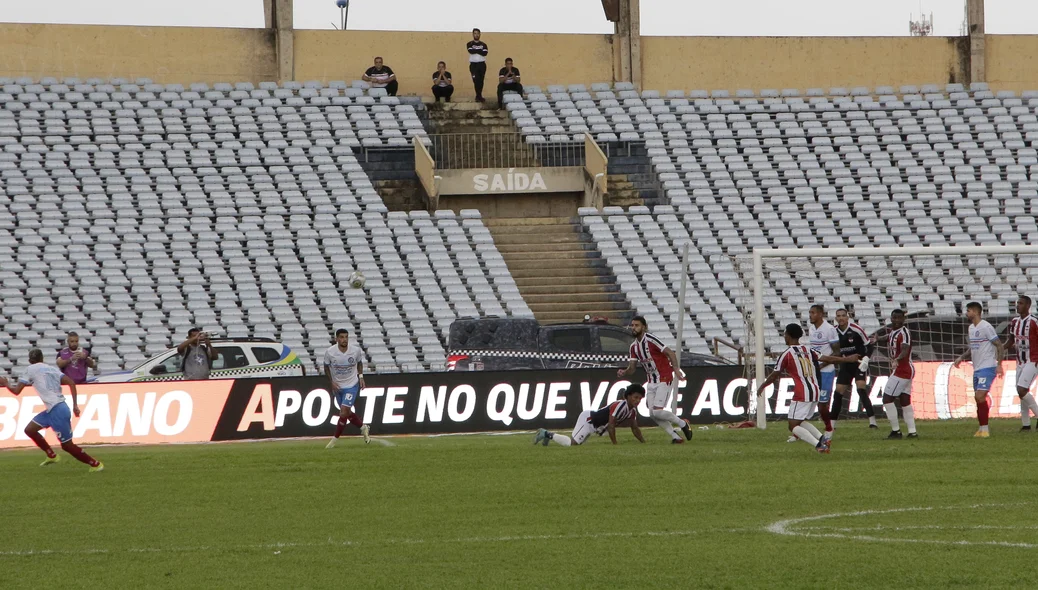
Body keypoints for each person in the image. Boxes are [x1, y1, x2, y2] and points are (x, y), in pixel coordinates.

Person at [0, 349, 103, 471]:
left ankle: (95, 464)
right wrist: (75, 405)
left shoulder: (30, 369)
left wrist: (5, 383)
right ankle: (51, 455)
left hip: (57, 410)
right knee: (30, 430)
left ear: (29, 361)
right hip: (54, 408)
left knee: (67, 445)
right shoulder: (52, 369)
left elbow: (16, 391)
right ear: (42, 358)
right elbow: (71, 382)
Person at [756, 324, 847, 454]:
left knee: (793, 426)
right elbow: (829, 358)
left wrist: (762, 386)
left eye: (785, 334)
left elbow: (774, 375)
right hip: (815, 390)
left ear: (788, 336)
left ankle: (819, 446)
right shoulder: (809, 350)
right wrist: (848, 359)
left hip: (802, 393)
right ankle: (823, 439)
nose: (784, 336)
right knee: (799, 421)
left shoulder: (787, 354)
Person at [617, 316, 693, 444]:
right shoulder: (633, 347)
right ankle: (676, 437)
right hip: (651, 381)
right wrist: (624, 372)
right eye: (632, 325)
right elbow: (632, 368)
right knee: (652, 414)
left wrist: (676, 369)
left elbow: (670, 353)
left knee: (657, 411)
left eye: (637, 325)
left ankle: (682, 423)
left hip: (664, 377)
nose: (633, 328)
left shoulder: (651, 340)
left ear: (644, 327)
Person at [954, 301, 1005, 438]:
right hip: (977, 368)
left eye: (969, 310)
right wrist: (962, 357)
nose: (967, 313)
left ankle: (985, 430)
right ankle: (982, 429)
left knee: (980, 396)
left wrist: (999, 364)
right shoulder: (971, 328)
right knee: (978, 399)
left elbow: (999, 345)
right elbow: (974, 347)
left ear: (976, 312)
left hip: (988, 367)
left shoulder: (986, 327)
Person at [533, 385, 645, 447]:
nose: (637, 400)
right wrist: (615, 444)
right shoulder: (620, 405)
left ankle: (547, 436)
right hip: (589, 420)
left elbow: (634, 428)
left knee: (576, 444)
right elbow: (611, 425)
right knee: (572, 444)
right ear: (628, 396)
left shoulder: (632, 411)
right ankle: (546, 433)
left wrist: (643, 442)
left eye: (639, 398)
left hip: (594, 424)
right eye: (635, 397)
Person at [831, 309, 877, 430]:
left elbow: (869, 345)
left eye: (843, 316)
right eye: (838, 316)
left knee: (861, 389)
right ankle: (831, 424)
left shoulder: (856, 329)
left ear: (848, 317)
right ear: (836, 318)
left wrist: (866, 359)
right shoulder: (834, 331)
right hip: (846, 365)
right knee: (838, 392)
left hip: (859, 364)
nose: (841, 318)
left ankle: (872, 421)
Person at [324, 328, 370, 448]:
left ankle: (333, 441)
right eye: (342, 337)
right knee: (347, 413)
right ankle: (363, 427)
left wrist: (360, 377)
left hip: (351, 385)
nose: (344, 339)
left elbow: (359, 363)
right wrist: (332, 382)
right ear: (337, 339)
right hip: (338, 387)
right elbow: (326, 367)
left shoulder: (355, 351)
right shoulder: (330, 352)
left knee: (343, 412)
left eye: (346, 337)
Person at [806, 304, 840, 441]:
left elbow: (837, 352)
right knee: (807, 401)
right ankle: (798, 432)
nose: (810, 315)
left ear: (820, 314)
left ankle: (828, 429)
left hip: (826, 372)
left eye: (813, 313)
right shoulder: (811, 329)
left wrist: (821, 365)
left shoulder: (829, 329)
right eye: (810, 313)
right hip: (813, 371)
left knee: (822, 405)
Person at [882, 309, 917, 439]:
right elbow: (889, 337)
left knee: (887, 398)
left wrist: (897, 359)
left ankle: (896, 431)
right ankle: (912, 431)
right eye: (894, 318)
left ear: (903, 320)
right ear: (890, 318)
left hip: (903, 370)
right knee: (904, 400)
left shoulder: (905, 333)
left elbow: (905, 349)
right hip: (904, 370)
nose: (896, 320)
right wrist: (878, 338)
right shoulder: (893, 332)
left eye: (899, 318)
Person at [1006, 295, 1038, 430]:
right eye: (1017, 303)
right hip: (1020, 361)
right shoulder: (1014, 322)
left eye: (1020, 303)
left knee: (1022, 389)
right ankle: (1026, 425)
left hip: (1033, 360)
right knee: (1021, 392)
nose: (1017, 305)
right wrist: (999, 348)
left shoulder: (1034, 321)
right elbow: (1010, 341)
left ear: (1028, 306)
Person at [466, 28, 489, 102]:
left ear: (480, 34)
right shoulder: (469, 43)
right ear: (473, 34)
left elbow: (485, 53)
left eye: (477, 33)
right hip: (473, 65)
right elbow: (470, 51)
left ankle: (479, 96)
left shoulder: (484, 44)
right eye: (475, 33)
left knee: (481, 80)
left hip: (482, 64)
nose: (476, 35)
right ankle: (478, 95)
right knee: (475, 80)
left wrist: (476, 51)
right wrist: (479, 51)